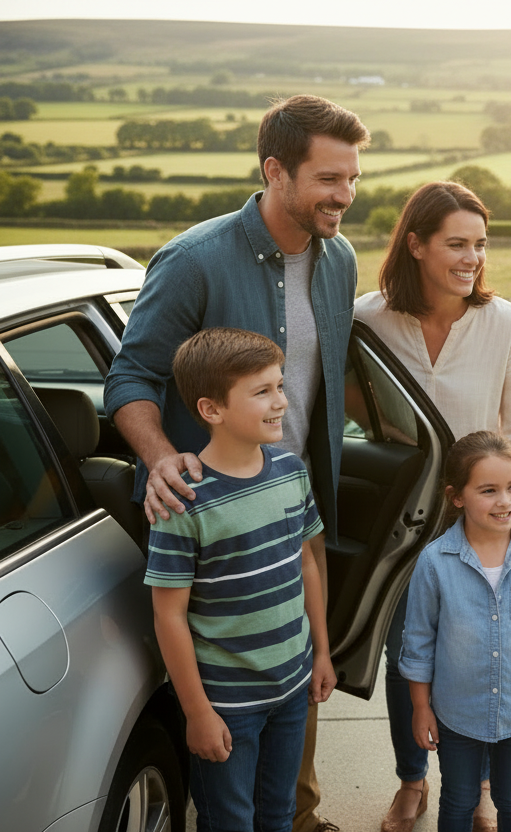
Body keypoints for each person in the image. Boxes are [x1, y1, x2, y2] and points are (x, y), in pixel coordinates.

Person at [104, 94, 370, 832]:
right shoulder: (194, 261)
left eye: (352, 179)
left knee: (295, 681)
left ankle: (294, 815)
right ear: (275, 170)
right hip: (213, 521)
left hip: (296, 501)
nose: (345, 197)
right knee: (226, 712)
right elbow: (129, 378)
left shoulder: (340, 258)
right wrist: (160, 459)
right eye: (328, 179)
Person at [355, 181, 511, 832]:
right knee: (406, 652)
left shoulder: (506, 324)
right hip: (405, 519)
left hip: (484, 515)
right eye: (456, 244)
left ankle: (487, 788)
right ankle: (414, 782)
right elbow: (348, 409)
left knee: (491, 648)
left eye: (480, 245)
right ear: (414, 244)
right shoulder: (367, 320)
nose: (472, 258)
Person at [145, 328, 335, 832]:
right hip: (227, 704)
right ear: (212, 410)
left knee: (278, 815)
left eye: (280, 385)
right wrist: (197, 712)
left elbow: (308, 564)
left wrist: (321, 652)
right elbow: (169, 614)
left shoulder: (291, 471)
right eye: (262, 392)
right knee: (230, 820)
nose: (281, 402)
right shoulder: (182, 502)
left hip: (292, 689)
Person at [399, 431, 511, 832]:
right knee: (458, 799)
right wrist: (420, 707)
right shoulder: (435, 563)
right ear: (457, 496)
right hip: (458, 713)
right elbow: (418, 643)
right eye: (488, 490)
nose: (505, 501)